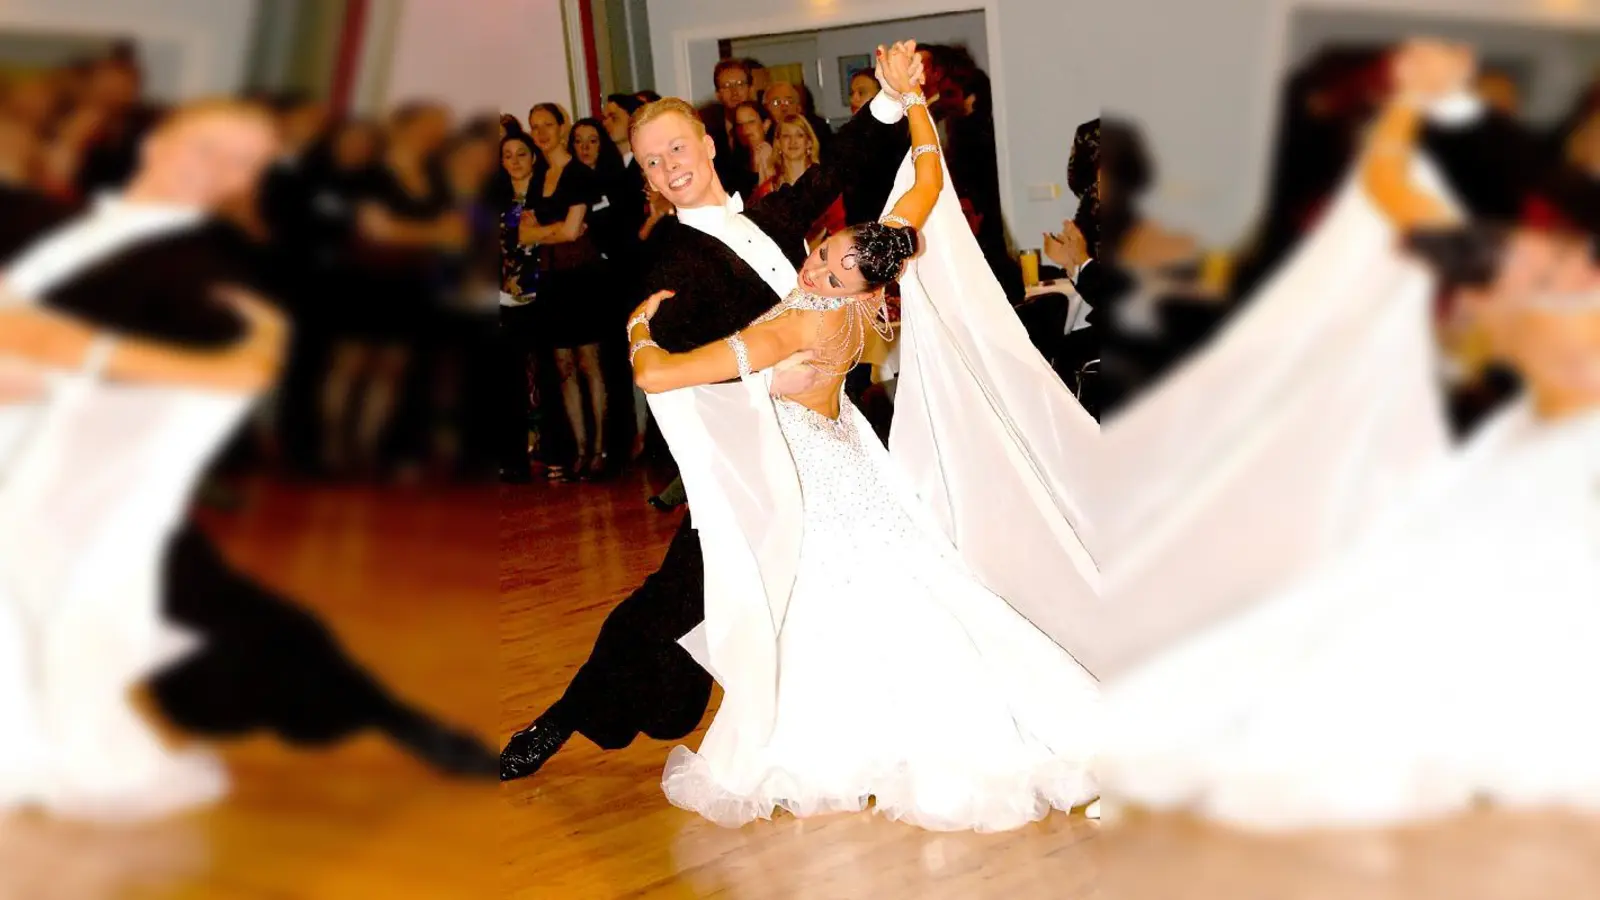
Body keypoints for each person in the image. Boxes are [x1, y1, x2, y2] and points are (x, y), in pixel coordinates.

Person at [1097, 46, 1600, 825]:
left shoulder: (1518, 252)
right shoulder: (1510, 254)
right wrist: (1412, 103)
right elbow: (1390, 186)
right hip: (1538, 461)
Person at [622, 42, 1100, 831]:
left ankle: (854, 741)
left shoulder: (793, 327)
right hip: (851, 455)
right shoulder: (863, 293)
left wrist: (641, 334)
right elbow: (926, 183)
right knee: (908, 591)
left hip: (809, 470)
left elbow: (661, 379)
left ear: (858, 282)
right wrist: (913, 105)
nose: (812, 272)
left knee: (832, 608)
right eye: (818, 258)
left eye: (827, 271)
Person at [0, 102, 493, 823]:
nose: (224, 171)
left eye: (245, 163)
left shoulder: (201, 263)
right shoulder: (40, 220)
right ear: (161, 142)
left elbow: (228, 369)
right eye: (212, 147)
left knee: (236, 634)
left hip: (82, 491)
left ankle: (393, 719)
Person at [500, 43, 920, 782]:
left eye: (674, 149)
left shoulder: (769, 217)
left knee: (825, 588)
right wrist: (653, 340)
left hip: (819, 445)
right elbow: (664, 366)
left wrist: (889, 98)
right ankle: (565, 716)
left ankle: (857, 721)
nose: (666, 168)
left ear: (706, 144)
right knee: (676, 599)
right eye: (651, 162)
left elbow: (837, 168)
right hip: (750, 461)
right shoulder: (669, 257)